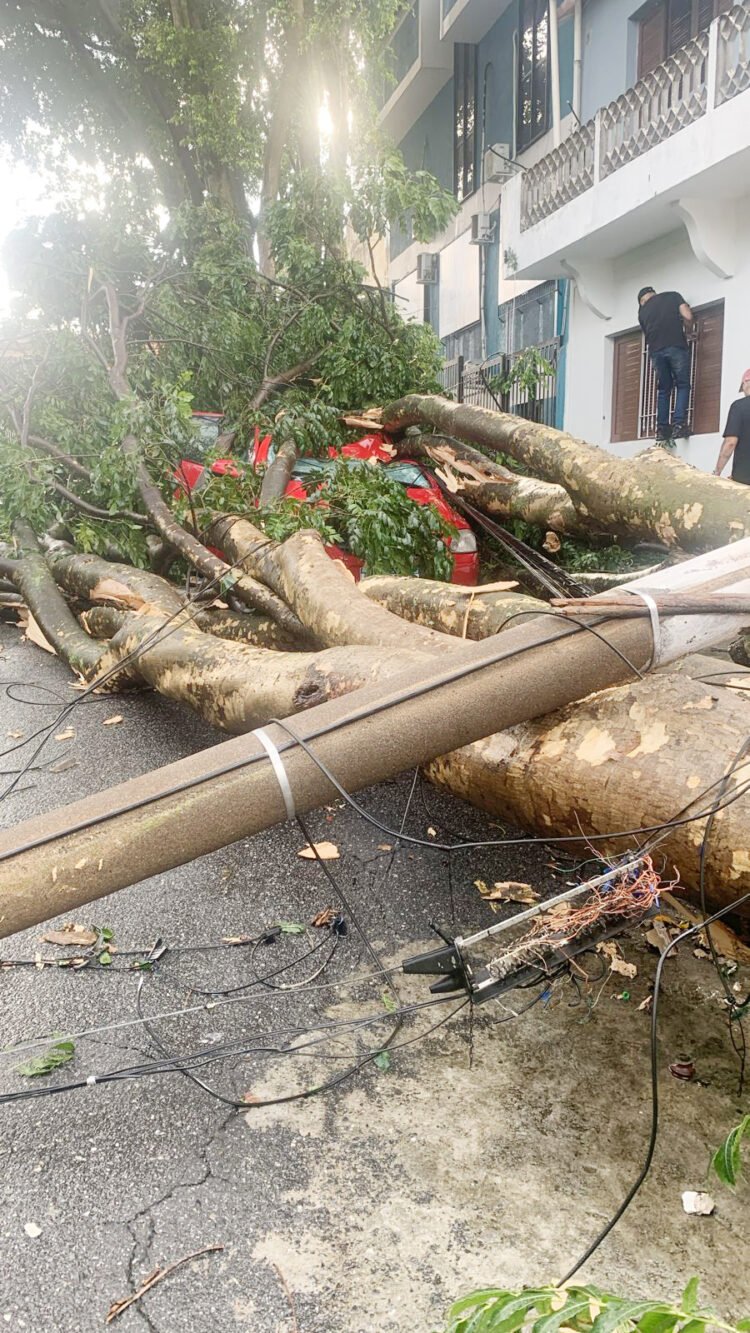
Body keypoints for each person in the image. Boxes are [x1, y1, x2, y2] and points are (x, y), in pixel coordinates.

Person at [637, 286, 694, 441]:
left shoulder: (642, 312)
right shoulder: (673, 296)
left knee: (664, 389)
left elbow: (647, 333)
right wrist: (689, 332)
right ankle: (679, 425)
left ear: (642, 301)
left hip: (655, 352)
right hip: (675, 345)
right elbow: (687, 316)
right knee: (682, 384)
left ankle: (662, 429)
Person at [714, 369, 750, 482]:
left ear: (746, 383)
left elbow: (730, 443)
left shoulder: (739, 407)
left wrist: (717, 472)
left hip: (745, 480)